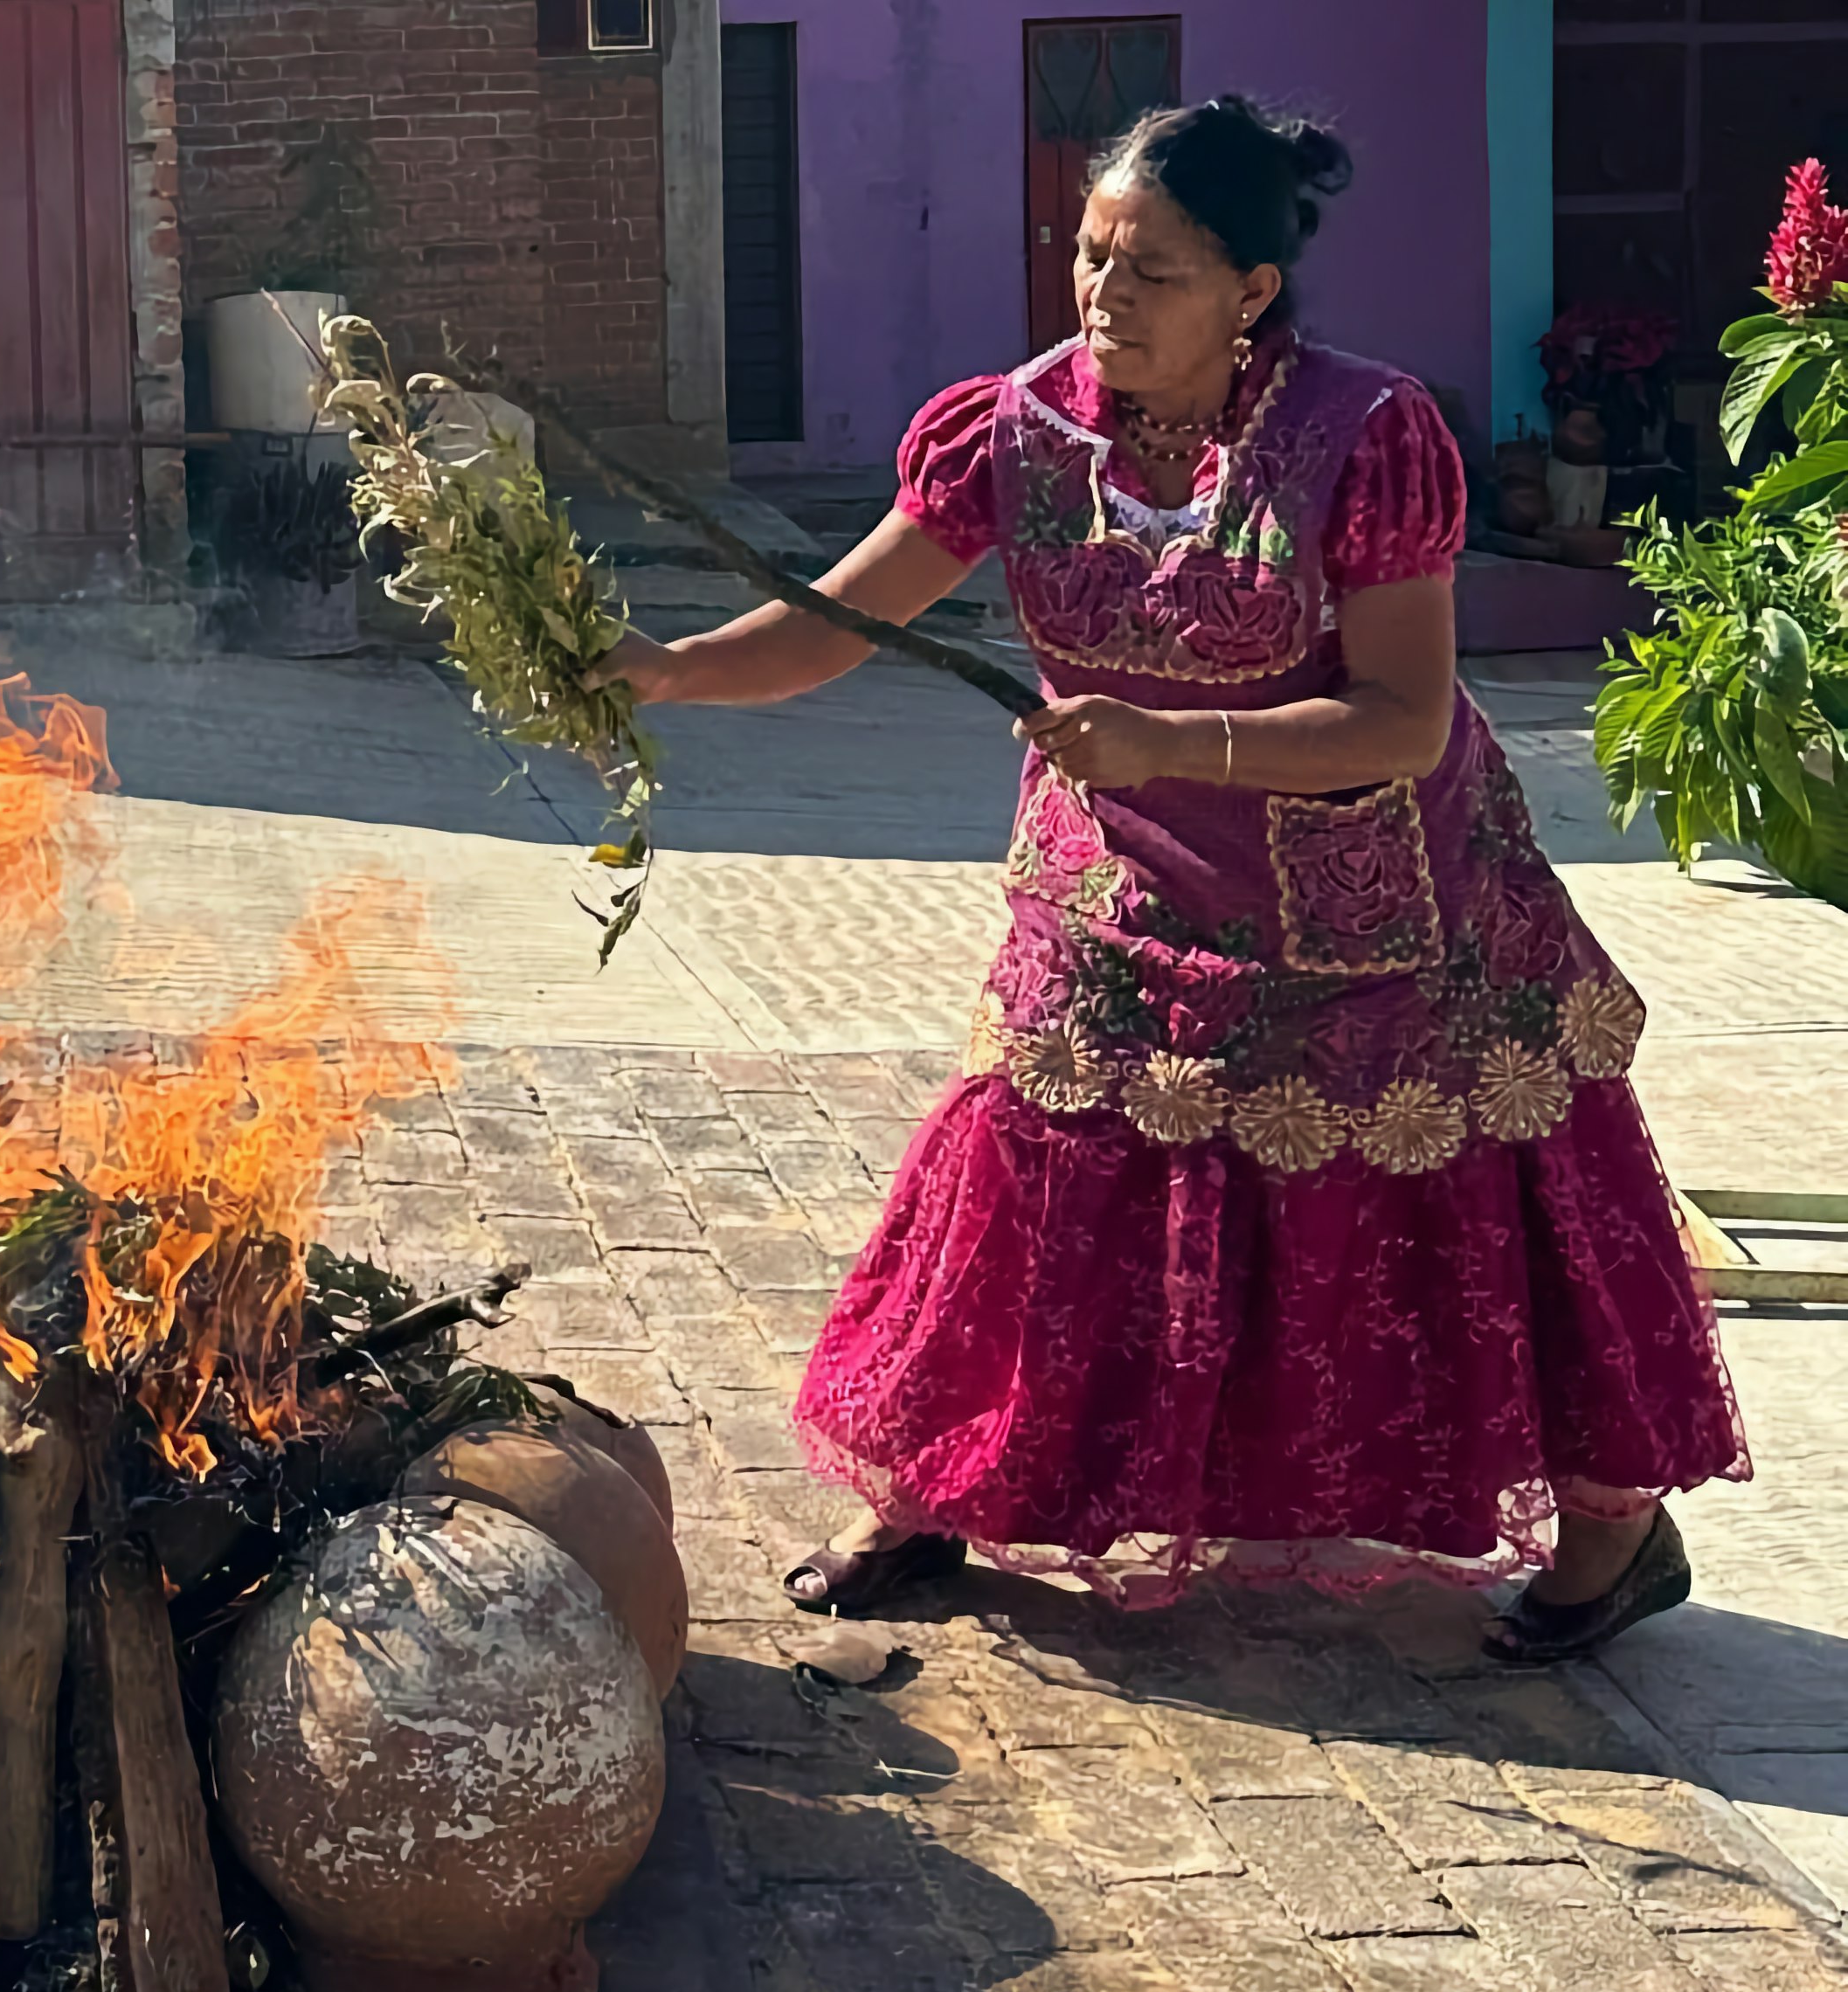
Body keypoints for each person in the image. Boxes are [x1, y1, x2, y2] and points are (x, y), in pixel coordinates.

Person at [607, 96, 1745, 1660]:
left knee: (1460, 1191)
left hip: (1385, 899)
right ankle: (937, 1491)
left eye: (1149, 271)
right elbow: (837, 620)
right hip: (1118, 886)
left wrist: (1168, 738)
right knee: (1031, 1151)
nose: (1102, 296)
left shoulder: (1365, 434)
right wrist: (666, 673)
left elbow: (1405, 718)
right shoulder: (1013, 428)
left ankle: (1614, 1538)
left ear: (1251, 296)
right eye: (1088, 257)